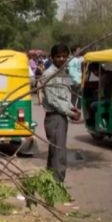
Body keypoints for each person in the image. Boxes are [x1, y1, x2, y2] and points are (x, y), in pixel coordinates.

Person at [41, 44, 81, 183]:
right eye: (58, 56)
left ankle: (50, 184)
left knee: (55, 152)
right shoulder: (48, 74)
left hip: (61, 117)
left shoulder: (63, 73)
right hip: (54, 117)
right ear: (52, 58)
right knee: (59, 154)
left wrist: (73, 108)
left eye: (64, 56)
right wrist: (70, 113)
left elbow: (66, 95)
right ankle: (58, 185)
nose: (61, 58)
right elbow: (53, 101)